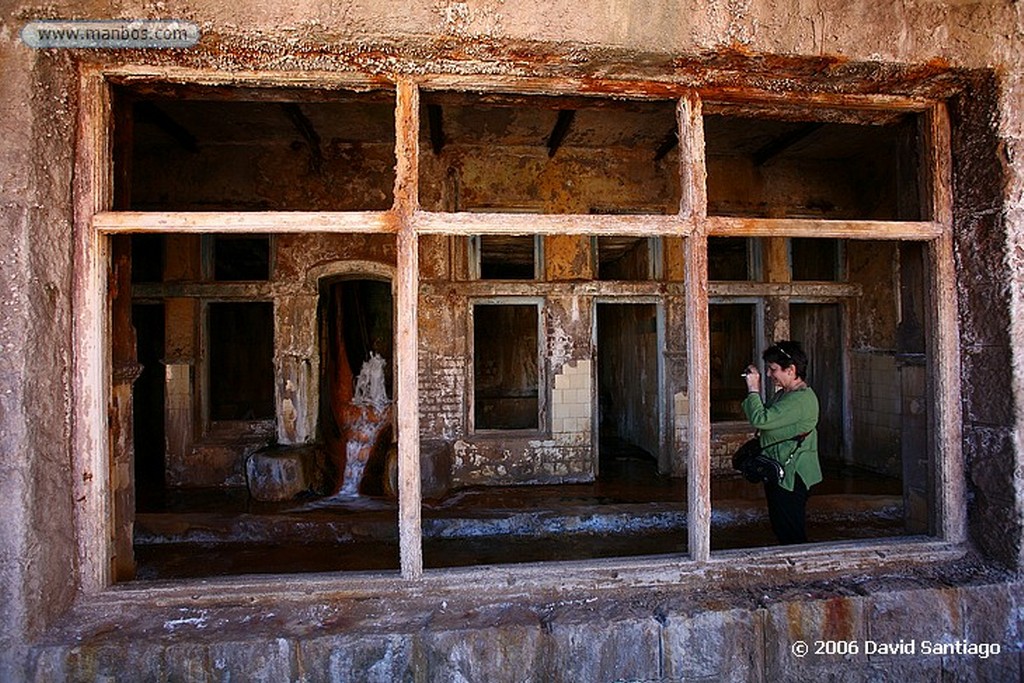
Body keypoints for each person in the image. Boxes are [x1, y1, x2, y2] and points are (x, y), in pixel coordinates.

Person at [742, 340, 822, 545]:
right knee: (781, 526)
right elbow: (760, 415)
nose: (769, 375)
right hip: (779, 470)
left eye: (773, 369)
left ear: (791, 369)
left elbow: (761, 419)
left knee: (791, 531)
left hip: (793, 474)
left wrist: (753, 389)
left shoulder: (800, 400)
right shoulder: (785, 394)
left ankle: (800, 568)